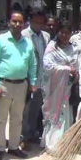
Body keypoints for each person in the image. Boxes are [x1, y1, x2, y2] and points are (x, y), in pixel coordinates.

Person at [0, 11, 37, 160]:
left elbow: (32, 64)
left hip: (21, 85)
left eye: (20, 22)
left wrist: (32, 83)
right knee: (1, 119)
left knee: (17, 119)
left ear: (24, 24)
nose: (17, 24)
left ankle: (14, 147)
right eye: (14, 21)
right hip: (3, 85)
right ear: (9, 22)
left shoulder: (27, 43)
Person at [41, 21, 79, 151]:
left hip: (67, 89)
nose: (64, 35)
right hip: (53, 88)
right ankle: (52, 145)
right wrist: (67, 69)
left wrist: (74, 74)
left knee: (64, 114)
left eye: (67, 32)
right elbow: (47, 66)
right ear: (58, 32)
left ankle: (63, 142)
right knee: (54, 114)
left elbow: (76, 68)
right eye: (62, 32)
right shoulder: (52, 47)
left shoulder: (73, 48)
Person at [20, 8, 50, 150]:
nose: (38, 24)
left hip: (42, 81)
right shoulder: (23, 35)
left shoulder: (46, 36)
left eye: (41, 22)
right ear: (30, 21)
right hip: (28, 80)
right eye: (35, 21)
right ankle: (22, 137)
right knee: (24, 111)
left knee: (36, 110)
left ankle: (31, 134)